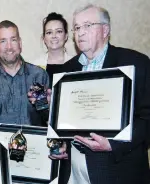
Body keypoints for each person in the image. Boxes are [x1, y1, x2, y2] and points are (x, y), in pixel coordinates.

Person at [48, 4, 150, 184]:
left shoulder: (136, 63)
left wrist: (114, 144)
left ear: (105, 30)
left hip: (118, 172)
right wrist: (61, 140)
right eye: (77, 27)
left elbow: (147, 118)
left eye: (88, 25)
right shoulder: (67, 70)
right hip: (73, 173)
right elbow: (67, 123)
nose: (80, 32)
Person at [0, 20, 49, 126]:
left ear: (20, 43)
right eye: (3, 41)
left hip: (34, 141)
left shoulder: (38, 75)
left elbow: (48, 118)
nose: (9, 47)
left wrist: (49, 106)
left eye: (13, 40)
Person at [33, 12, 73, 86]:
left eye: (59, 31)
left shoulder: (76, 64)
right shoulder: (35, 67)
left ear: (66, 36)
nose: (54, 36)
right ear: (44, 38)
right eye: (49, 32)